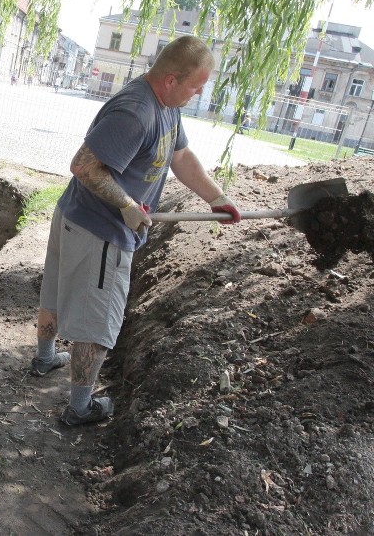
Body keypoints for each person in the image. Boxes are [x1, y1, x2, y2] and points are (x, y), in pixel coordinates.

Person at [29, 36, 241, 426]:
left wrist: (216, 197)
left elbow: (180, 156)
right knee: (97, 324)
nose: (199, 93)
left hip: (76, 215)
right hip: (100, 231)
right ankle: (78, 408)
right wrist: (127, 206)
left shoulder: (166, 107)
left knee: (56, 292)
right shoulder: (137, 111)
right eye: (196, 85)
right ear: (171, 79)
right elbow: (84, 165)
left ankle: (44, 359)